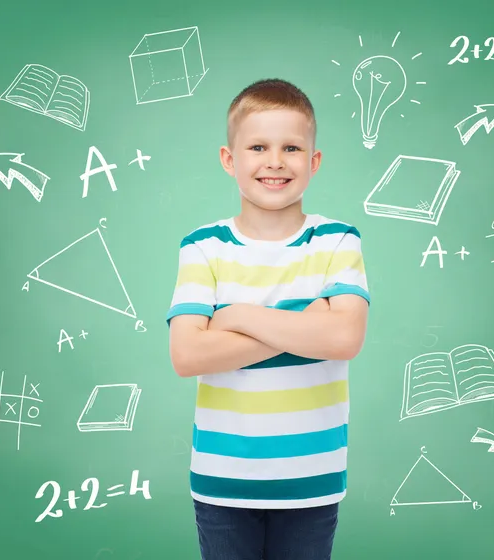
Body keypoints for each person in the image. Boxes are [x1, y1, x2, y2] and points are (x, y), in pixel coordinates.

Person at [166, 78, 370, 560]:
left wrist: (235, 318)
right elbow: (188, 354)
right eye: (258, 146)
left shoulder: (339, 241)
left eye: (291, 147)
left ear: (313, 161)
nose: (275, 161)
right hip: (224, 478)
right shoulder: (202, 246)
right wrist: (306, 321)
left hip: (312, 477)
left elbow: (345, 338)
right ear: (229, 159)